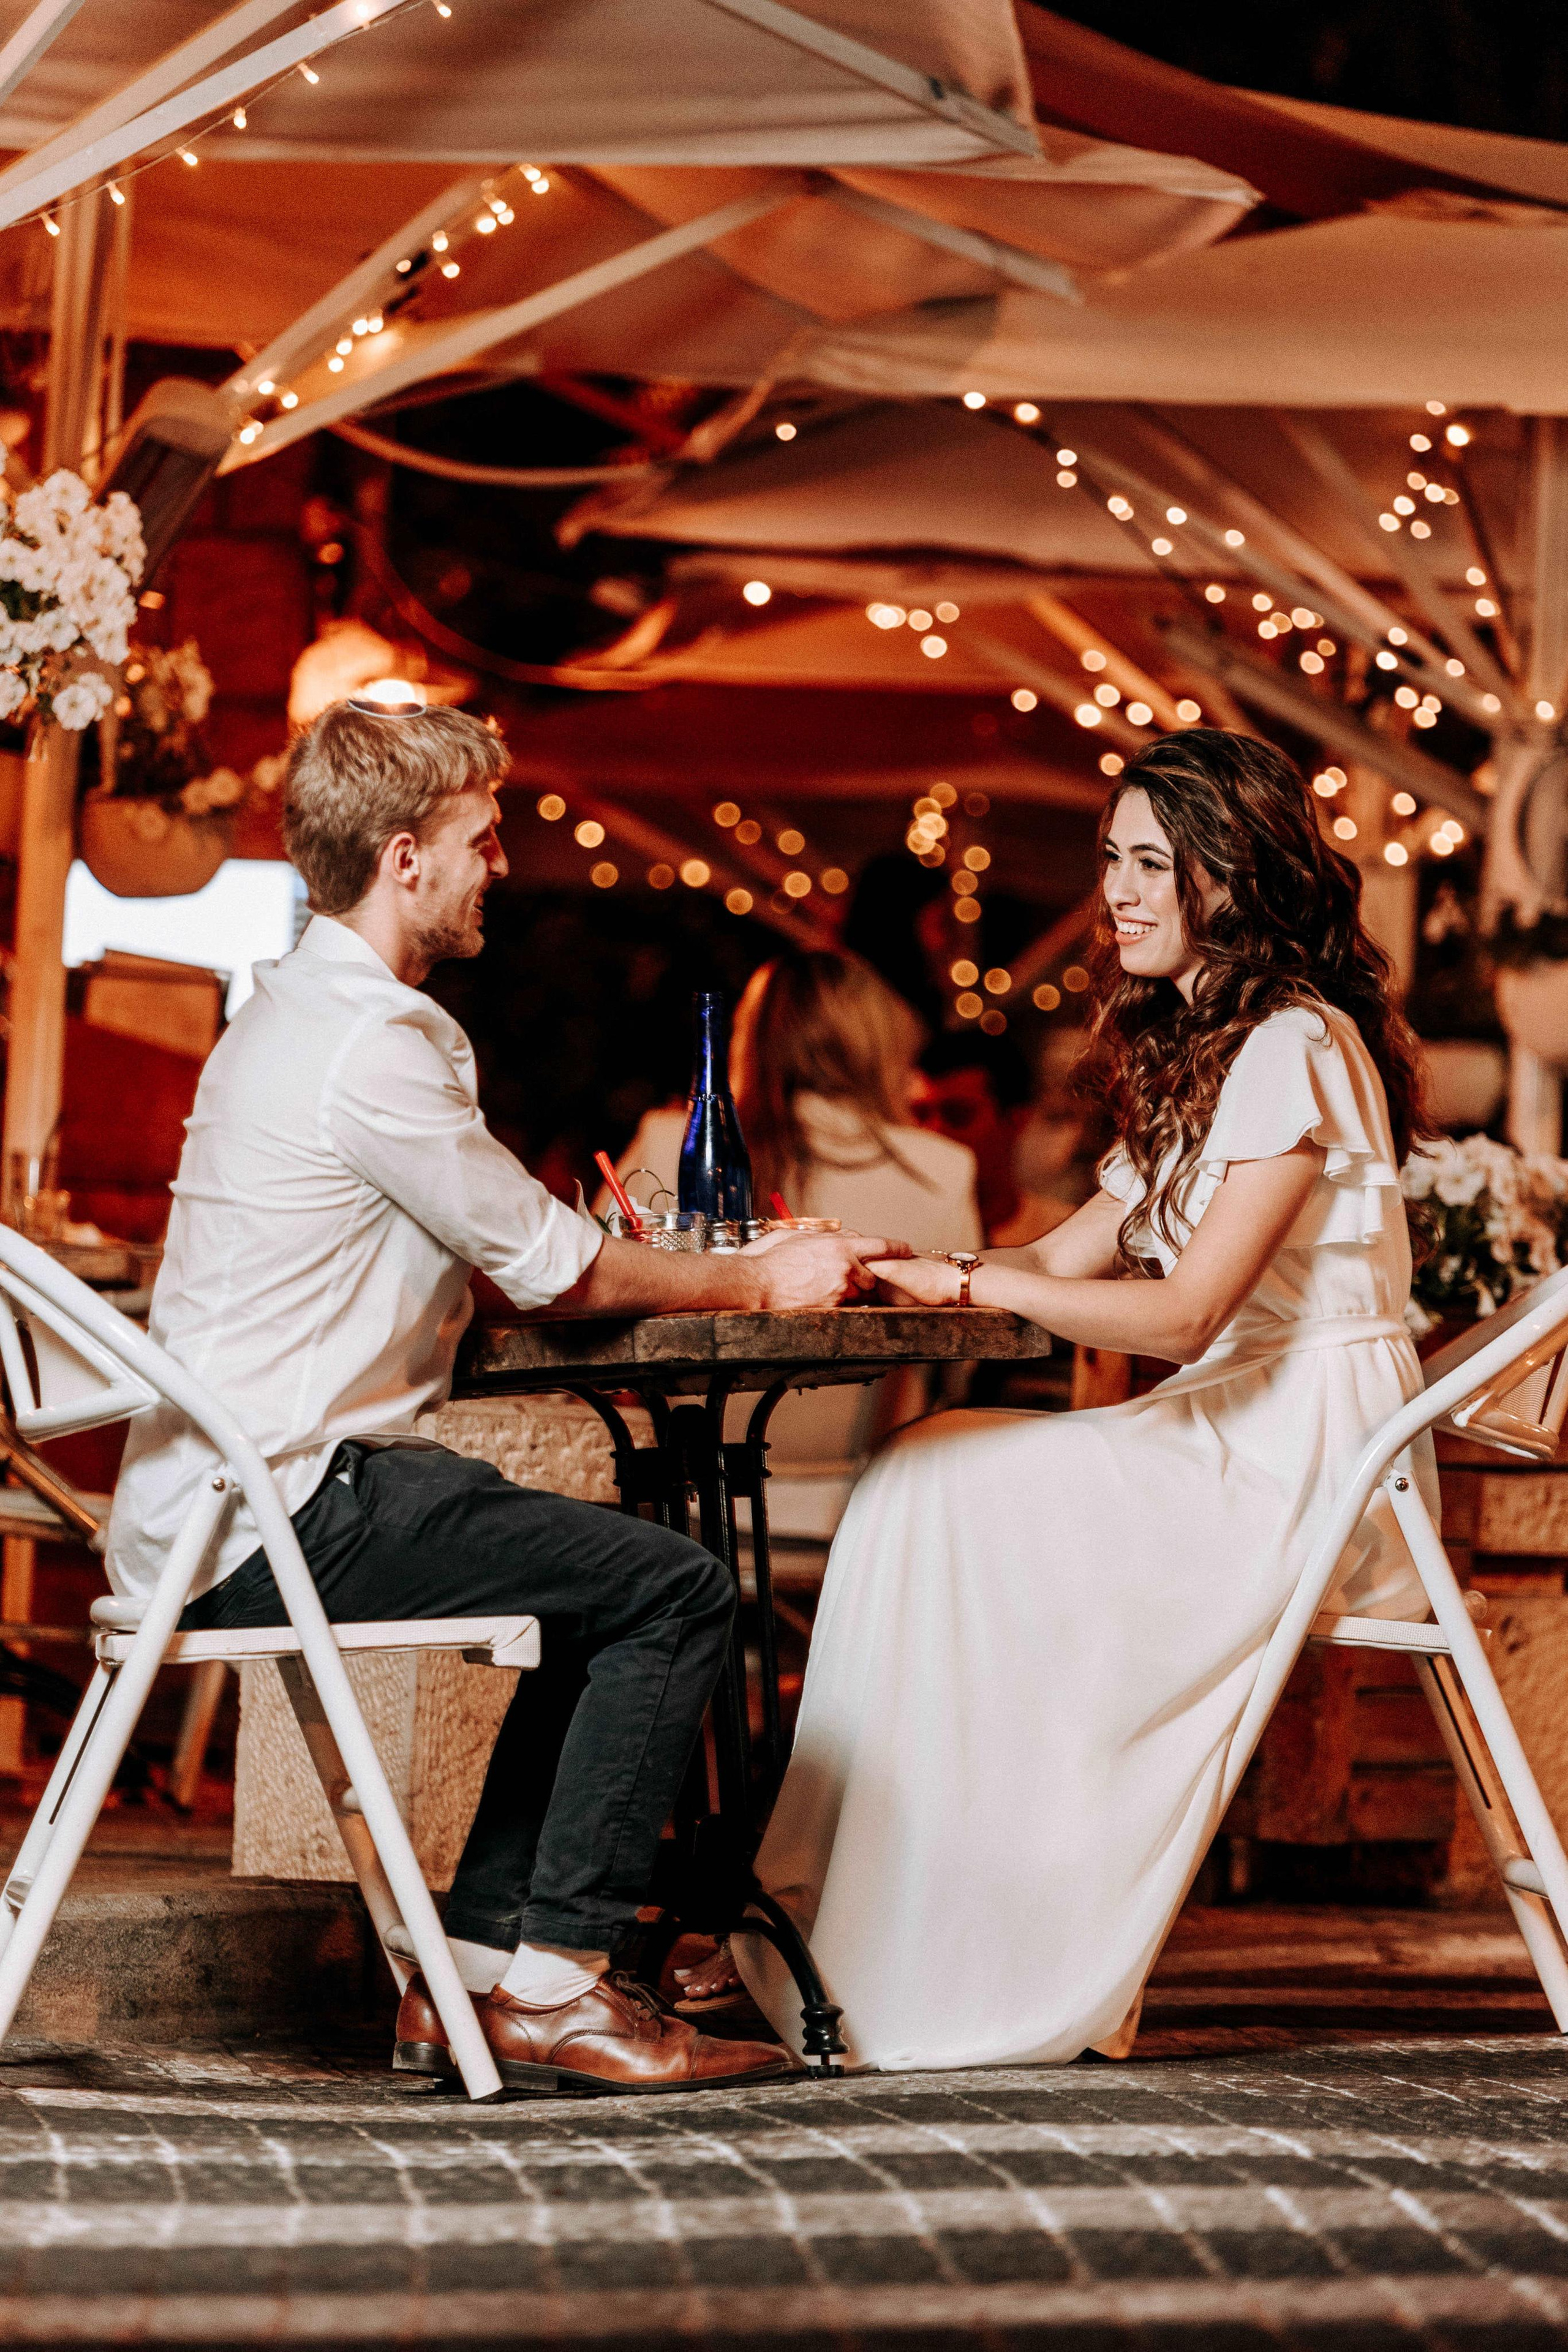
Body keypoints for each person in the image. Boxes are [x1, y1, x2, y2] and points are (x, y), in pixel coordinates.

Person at [106, 698, 905, 2097]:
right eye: (483, 840)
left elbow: (475, 1258)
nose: (500, 866)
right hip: (283, 1504)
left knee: (591, 1581)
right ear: (405, 856)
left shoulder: (295, 1011)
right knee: (674, 1590)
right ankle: (562, 1984)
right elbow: (557, 1269)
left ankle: (476, 1970)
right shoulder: (372, 1040)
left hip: (230, 1496)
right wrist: (768, 1281)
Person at [733, 728, 1434, 2071]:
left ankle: (929, 1934)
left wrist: (947, 1286)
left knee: (941, 1488)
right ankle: (823, 1910)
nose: (1115, 892)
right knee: (922, 1469)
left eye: (1149, 864)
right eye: (1111, 859)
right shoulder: (1213, 1046)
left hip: (1302, 1451)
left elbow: (1180, 1314)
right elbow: (1057, 1258)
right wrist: (889, 1266)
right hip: (1239, 1422)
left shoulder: (1292, 1044)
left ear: (1230, 877)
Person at [611, 949, 981, 1486]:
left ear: (750, 1039)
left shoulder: (669, 1140)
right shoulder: (942, 1167)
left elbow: (597, 1289)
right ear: (879, 1046)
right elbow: (959, 1364)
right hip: (867, 1490)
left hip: (682, 1486)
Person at [913, 1030, 1072, 1247]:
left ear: (1016, 1120)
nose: (933, 1132)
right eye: (920, 1115)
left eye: (958, 1115)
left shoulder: (1064, 1235)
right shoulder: (902, 1230)